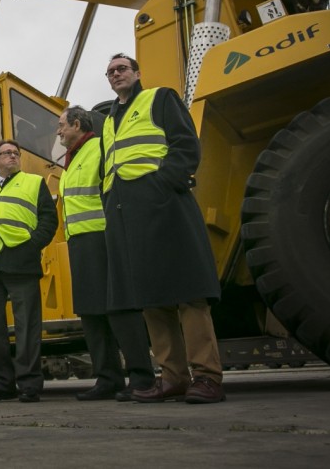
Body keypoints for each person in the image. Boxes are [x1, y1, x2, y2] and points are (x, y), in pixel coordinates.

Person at [102, 53, 225, 404]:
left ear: (137, 72)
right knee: (150, 298)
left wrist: (164, 183)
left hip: (164, 205)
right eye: (110, 72)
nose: (115, 74)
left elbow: (186, 144)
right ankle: (173, 376)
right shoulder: (109, 119)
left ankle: (207, 377)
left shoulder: (160, 97)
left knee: (188, 291)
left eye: (121, 68)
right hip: (126, 213)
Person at [57, 106, 156, 402]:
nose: (58, 131)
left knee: (120, 309)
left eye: (61, 125)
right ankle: (108, 378)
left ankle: (141, 377)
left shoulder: (99, 149)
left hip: (104, 238)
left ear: (76, 124)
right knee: (91, 313)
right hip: (80, 244)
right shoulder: (71, 159)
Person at [0, 140, 58, 403]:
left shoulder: (34, 182)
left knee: (26, 327)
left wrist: (31, 246)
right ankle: (3, 384)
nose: (12, 157)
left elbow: (49, 219)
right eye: (6, 153)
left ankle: (29, 384)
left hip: (22, 264)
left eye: (15, 153)